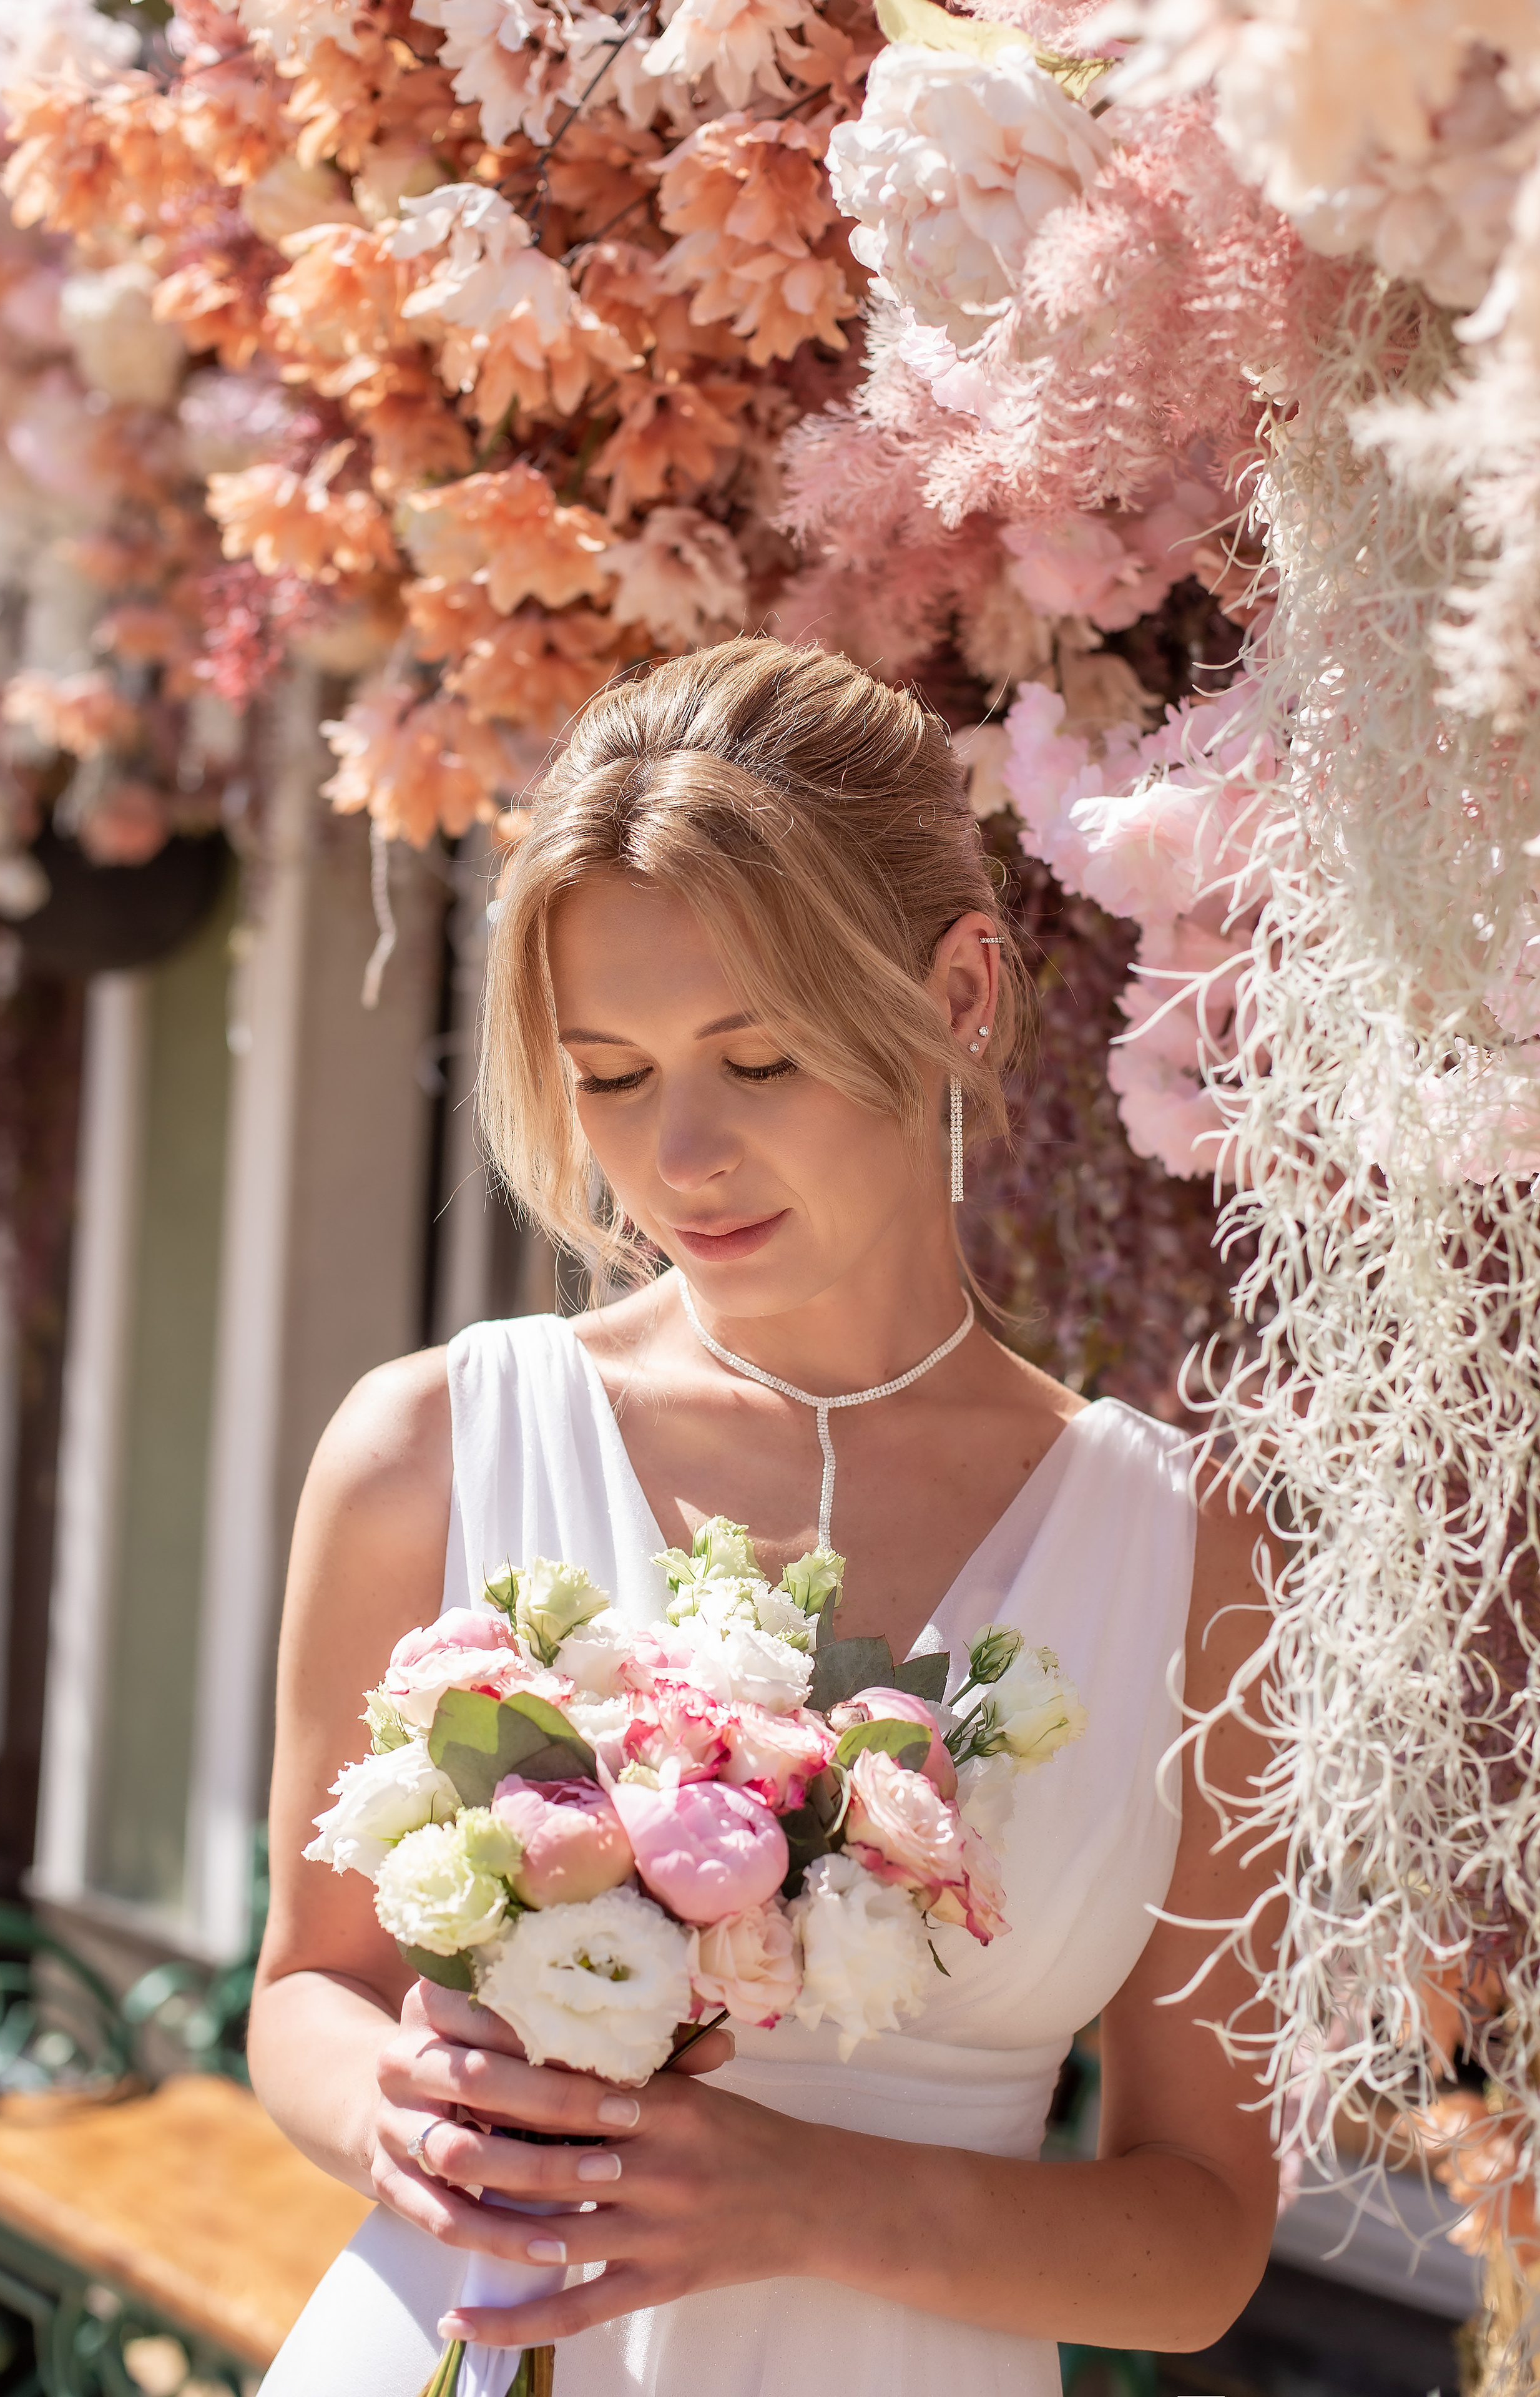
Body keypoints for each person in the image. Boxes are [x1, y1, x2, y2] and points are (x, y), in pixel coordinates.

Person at [251, 637, 1278, 2397]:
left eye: (760, 1058)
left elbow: (1199, 2247)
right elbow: (302, 1993)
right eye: (613, 1075)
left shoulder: (1190, 1552)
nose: (683, 1160)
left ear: (962, 993)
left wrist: (801, 2199)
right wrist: (396, 2113)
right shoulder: (426, 1447)